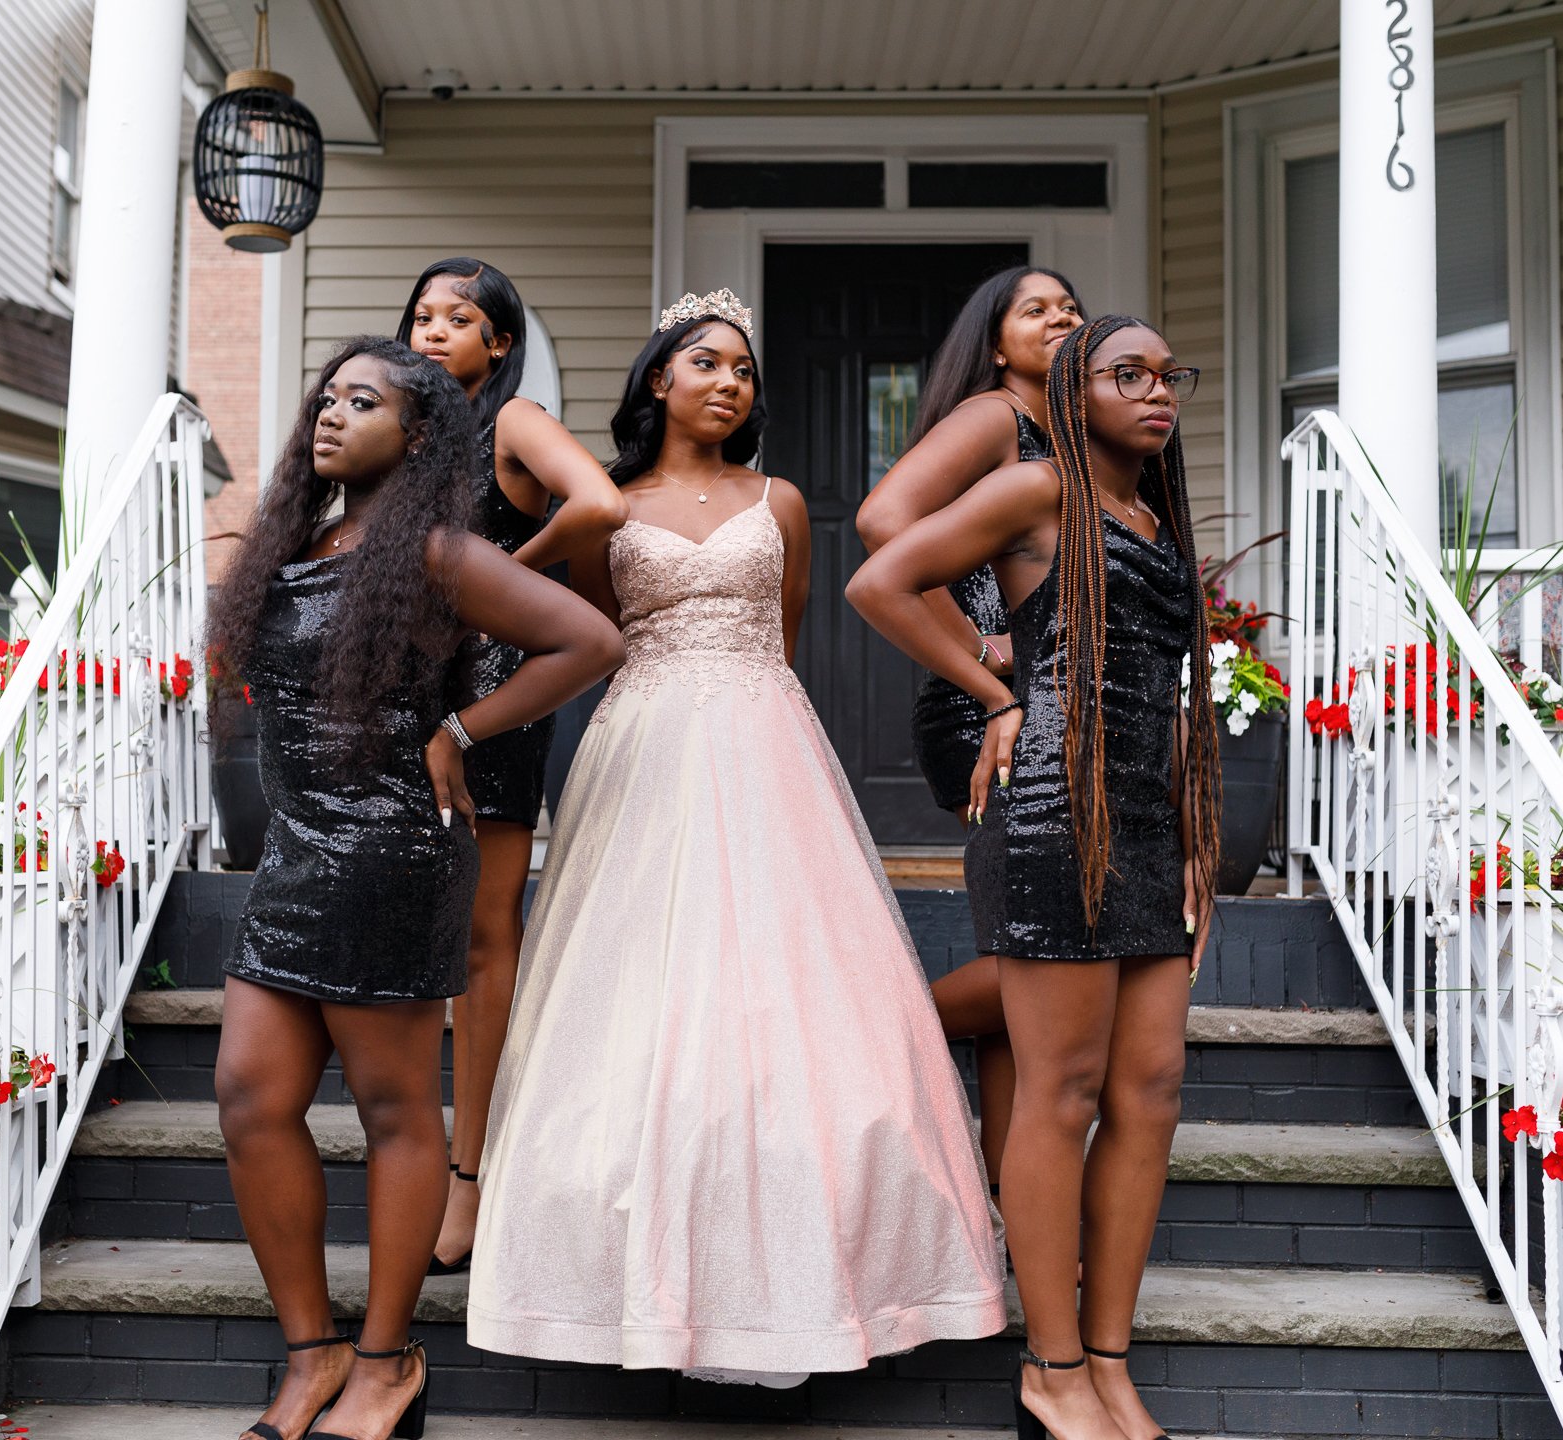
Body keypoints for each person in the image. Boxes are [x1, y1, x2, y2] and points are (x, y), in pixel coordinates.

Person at [466, 290, 1004, 1382]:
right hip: (642, 747)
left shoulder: (785, 501)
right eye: (705, 363)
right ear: (658, 379)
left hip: (767, 741)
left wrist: (747, 704)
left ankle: (812, 1272)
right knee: (637, 986)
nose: (728, 383)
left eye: (745, 372)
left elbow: (787, 629)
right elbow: (588, 631)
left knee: (781, 984)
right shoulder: (606, 502)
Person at [205, 337, 623, 1440]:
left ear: (424, 433)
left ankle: (388, 1361)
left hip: (393, 848)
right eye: (326, 399)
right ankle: (312, 1349)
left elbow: (587, 639)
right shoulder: (296, 543)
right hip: (297, 852)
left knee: (395, 1111)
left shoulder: (438, 550)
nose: (332, 417)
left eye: (363, 401)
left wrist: (462, 727)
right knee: (250, 1097)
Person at [846, 315, 1218, 1440]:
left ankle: (1107, 1361)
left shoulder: (1154, 514)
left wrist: (1199, 834)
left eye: (1169, 376)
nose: (1157, 393)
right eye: (1129, 375)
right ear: (1074, 389)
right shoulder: (1036, 490)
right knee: (1062, 1092)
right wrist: (996, 691)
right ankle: (1050, 1372)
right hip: (1058, 808)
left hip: (1149, 825)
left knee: (1148, 1093)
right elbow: (884, 580)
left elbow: (1177, 686)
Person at [393, 257, 628, 1277]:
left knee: (487, 936)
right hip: (397, 696)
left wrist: (499, 582)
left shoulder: (518, 422)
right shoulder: (399, 436)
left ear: (498, 342)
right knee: (408, 926)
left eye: (460, 318)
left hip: (490, 701)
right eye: (421, 316)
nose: (434, 330)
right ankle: (409, 1153)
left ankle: (472, 1173)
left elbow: (601, 505)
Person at [855, 265, 1084, 1192]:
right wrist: (979, 653)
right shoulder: (997, 418)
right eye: (1038, 310)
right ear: (996, 343)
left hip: (1046, 702)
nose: (1062, 318)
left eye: (1070, 308)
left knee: (1013, 957)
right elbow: (883, 520)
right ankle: (872, 1027)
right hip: (991, 709)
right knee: (1037, 955)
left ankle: (1002, 1202)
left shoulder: (1069, 437)